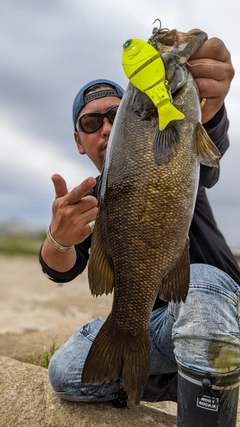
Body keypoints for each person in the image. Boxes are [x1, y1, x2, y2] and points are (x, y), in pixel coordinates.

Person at [39, 33, 240, 426]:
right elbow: (61, 268)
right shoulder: (90, 200)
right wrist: (57, 238)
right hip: (162, 329)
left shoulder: (176, 152)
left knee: (200, 288)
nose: (107, 128)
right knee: (65, 372)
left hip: (222, 307)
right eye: (91, 122)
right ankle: (178, 374)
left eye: (117, 113)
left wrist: (209, 104)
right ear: (79, 141)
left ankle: (211, 366)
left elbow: (209, 142)